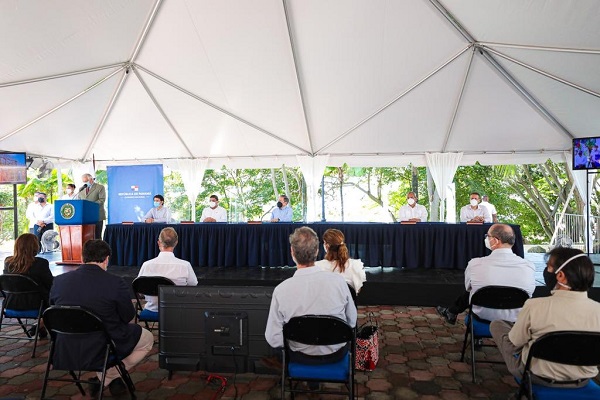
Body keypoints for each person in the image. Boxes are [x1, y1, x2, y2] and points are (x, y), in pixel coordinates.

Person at [49, 240, 153, 397]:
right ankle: (107, 377)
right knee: (148, 338)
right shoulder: (115, 282)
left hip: (66, 345)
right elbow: (128, 316)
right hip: (103, 345)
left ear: (83, 258)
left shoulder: (59, 281)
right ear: (107, 259)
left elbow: (53, 313)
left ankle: (108, 377)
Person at [490, 248, 600, 388]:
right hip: (582, 380)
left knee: (499, 326)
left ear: (560, 275)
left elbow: (514, 345)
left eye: (548, 266)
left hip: (536, 376)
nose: (546, 271)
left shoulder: (535, 306)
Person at [265, 227, 356, 359]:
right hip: (336, 354)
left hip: (298, 356)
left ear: (292, 252)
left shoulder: (281, 290)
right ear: (317, 250)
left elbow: (273, 338)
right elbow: (351, 322)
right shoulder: (339, 282)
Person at [436, 224, 535, 324]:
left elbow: (468, 288)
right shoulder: (528, 266)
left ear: (495, 241)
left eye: (487, 236)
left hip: (483, 315)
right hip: (516, 317)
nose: (486, 239)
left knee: (473, 289)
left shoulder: (475, 264)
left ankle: (452, 312)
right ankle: (451, 311)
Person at [3, 233, 54, 338]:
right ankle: (40, 325)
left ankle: (40, 326)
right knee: (59, 300)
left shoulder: (8, 263)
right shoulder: (40, 263)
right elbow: (51, 285)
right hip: (36, 306)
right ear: (35, 247)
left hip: (11, 305)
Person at [137, 227, 198, 312]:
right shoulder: (185, 265)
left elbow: (139, 289)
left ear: (159, 242)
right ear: (176, 243)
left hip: (152, 309)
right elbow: (193, 285)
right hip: (177, 309)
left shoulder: (146, 265)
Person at [315, 228, 366, 294]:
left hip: (325, 303)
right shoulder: (355, 265)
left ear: (326, 246)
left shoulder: (317, 266)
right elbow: (357, 291)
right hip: (347, 303)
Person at [77, 173, 106, 239]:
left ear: (91, 180)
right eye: (83, 181)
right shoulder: (81, 189)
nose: (85, 183)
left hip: (97, 216)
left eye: (86, 181)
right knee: (87, 237)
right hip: (85, 217)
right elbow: (79, 202)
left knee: (97, 236)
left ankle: (98, 249)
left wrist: (90, 206)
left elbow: (102, 200)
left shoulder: (100, 187)